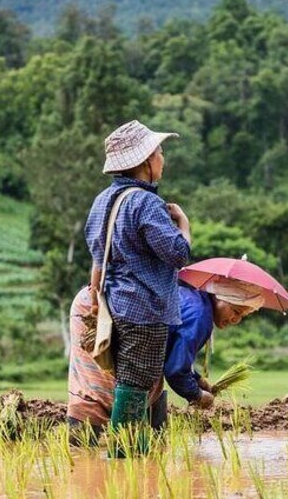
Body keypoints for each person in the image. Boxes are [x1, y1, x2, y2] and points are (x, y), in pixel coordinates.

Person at [83, 120, 191, 449]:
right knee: (135, 384)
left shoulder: (103, 201)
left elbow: (98, 258)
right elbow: (178, 254)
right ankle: (125, 457)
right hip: (145, 309)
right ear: (145, 162)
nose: (163, 159)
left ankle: (129, 455)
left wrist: (95, 301)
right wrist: (184, 224)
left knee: (128, 381)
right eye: (159, 152)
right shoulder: (146, 204)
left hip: (115, 305)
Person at [68, 277, 264, 440]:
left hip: (118, 306)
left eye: (243, 316)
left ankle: (147, 445)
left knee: (148, 382)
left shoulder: (196, 304)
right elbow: (175, 370)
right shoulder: (199, 315)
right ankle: (83, 448)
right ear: (219, 297)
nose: (236, 320)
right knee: (98, 384)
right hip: (98, 309)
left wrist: (196, 380)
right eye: (235, 311)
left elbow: (171, 356)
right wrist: (196, 395)